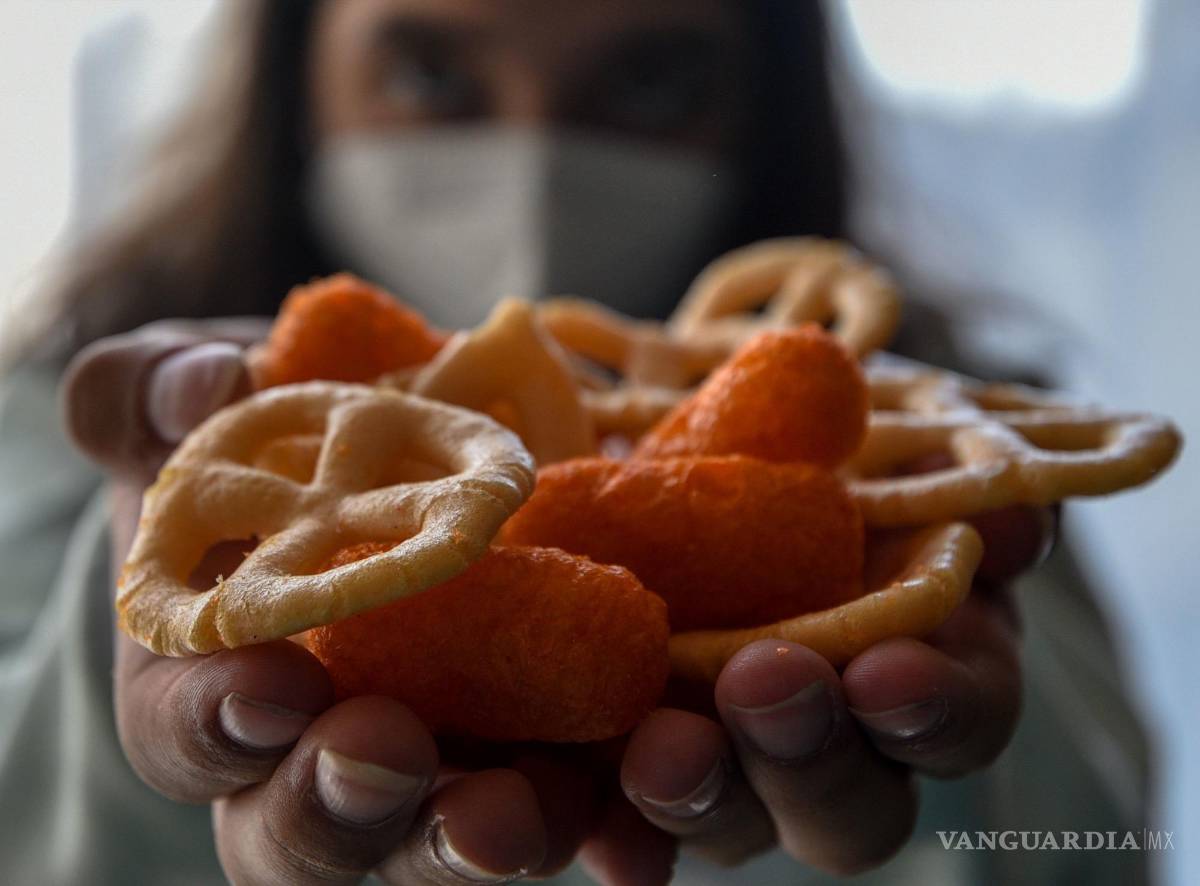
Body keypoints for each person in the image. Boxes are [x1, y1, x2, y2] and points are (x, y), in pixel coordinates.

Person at [0, 1, 1150, 884]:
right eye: (431, 71)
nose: (535, 161)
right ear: (292, 68)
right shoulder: (70, 412)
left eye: (650, 81)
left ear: (766, 103)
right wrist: (134, 688)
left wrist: (947, 783)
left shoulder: (942, 444)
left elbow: (1100, 827)